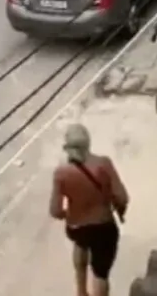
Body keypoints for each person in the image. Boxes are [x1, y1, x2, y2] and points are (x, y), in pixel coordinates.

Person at [50, 124, 129, 296]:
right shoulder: (104, 164)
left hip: (76, 227)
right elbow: (122, 197)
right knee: (100, 273)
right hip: (103, 226)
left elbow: (55, 210)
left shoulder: (61, 173)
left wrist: (66, 214)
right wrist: (117, 205)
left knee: (81, 243)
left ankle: (81, 291)